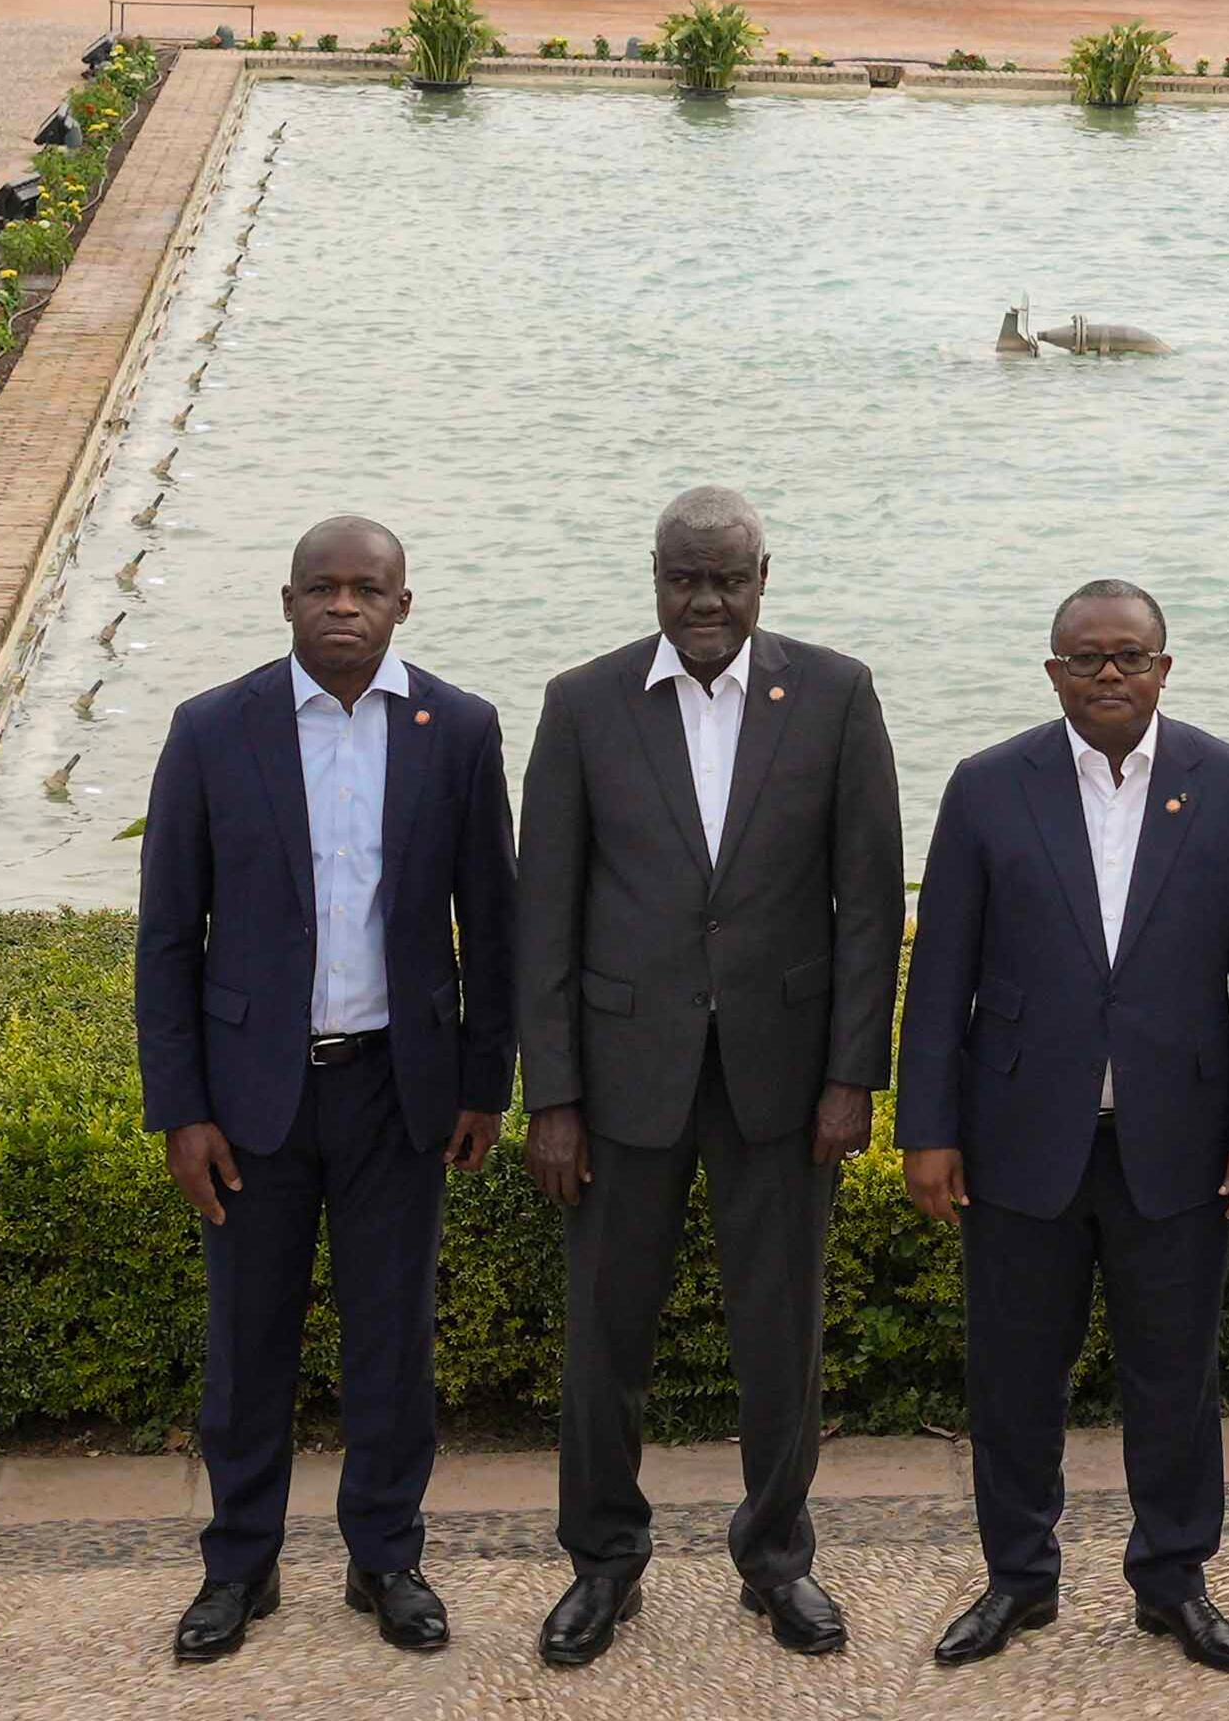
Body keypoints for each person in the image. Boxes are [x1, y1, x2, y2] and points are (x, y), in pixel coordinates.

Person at [515, 486, 904, 1667]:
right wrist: (555, 1097)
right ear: (653, 577)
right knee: (605, 1339)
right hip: (624, 1082)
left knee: (780, 1335)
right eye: (684, 579)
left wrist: (852, 1076)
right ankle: (603, 1565)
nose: (704, 602)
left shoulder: (835, 696)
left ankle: (776, 1560)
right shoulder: (582, 705)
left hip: (781, 1086)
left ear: (763, 578)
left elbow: (869, 905)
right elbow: (546, 917)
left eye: (726, 580)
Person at [134, 517, 517, 1666]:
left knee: (392, 1340)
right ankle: (238, 1568)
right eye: (322, 588)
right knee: (248, 1343)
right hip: (252, 1099)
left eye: (367, 589)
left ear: (405, 604)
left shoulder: (457, 731)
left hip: (396, 1087)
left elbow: (491, 927)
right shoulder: (213, 730)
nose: (342, 606)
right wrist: (181, 1108)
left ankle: (385, 1557)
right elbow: (166, 940)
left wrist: (483, 1086)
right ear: (286, 599)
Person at [900, 580, 1229, 1675]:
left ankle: (1173, 1581)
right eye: (1087, 659)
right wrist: (926, 1127)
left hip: (1176, 1138)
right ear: (1053, 673)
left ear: (1165, 668)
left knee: (1175, 1377)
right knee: (1014, 1376)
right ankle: (1018, 1582)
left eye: (1130, 656)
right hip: (1020, 1134)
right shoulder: (988, 787)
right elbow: (940, 975)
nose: (1110, 674)